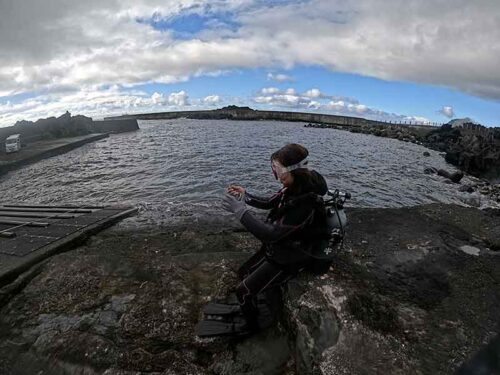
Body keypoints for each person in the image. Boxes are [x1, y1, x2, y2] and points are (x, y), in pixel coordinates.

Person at [222, 143, 330, 333]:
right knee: (243, 273)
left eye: (278, 169)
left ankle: (252, 325)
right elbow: (270, 202)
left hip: (292, 256)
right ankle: (257, 304)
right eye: (274, 169)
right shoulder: (294, 186)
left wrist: (240, 212)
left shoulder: (306, 202)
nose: (276, 175)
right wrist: (245, 196)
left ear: (295, 170)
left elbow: (270, 234)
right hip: (283, 247)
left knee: (243, 290)